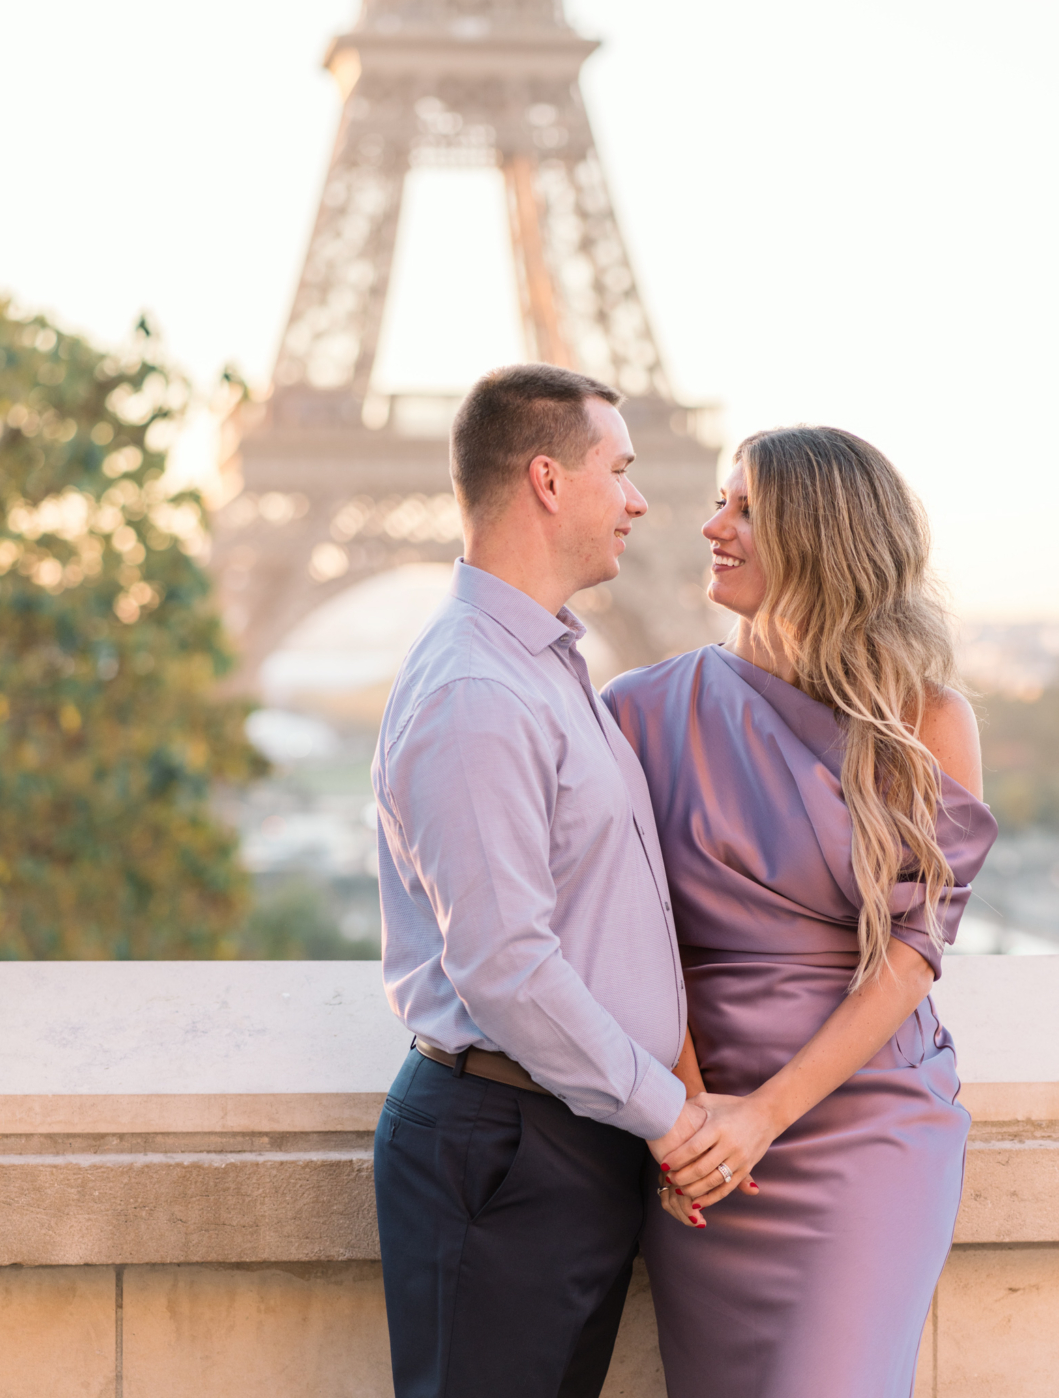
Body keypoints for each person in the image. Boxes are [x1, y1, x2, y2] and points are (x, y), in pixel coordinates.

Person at [602, 426, 997, 1398]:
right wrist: (693, 1118)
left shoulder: (928, 717)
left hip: (866, 1129)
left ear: (818, 538)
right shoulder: (637, 711)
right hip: (701, 1142)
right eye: (719, 502)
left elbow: (912, 955)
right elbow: (630, 935)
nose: (710, 526)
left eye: (743, 509)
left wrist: (763, 1118)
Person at [372, 363, 721, 1398]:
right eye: (617, 469)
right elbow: (506, 966)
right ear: (547, 480)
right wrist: (667, 1114)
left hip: (559, 1134)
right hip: (510, 1147)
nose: (640, 499)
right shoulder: (479, 689)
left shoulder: (545, 667)